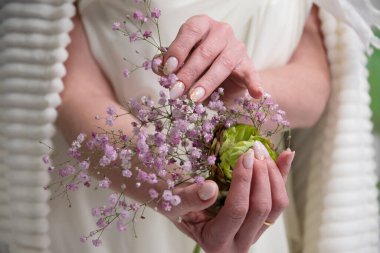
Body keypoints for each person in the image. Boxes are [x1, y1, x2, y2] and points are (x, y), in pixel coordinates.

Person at [51, 0, 335, 252]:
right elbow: (72, 89)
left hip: (255, 206)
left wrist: (239, 94)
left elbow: (317, 85)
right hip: (121, 197)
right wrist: (175, 189)